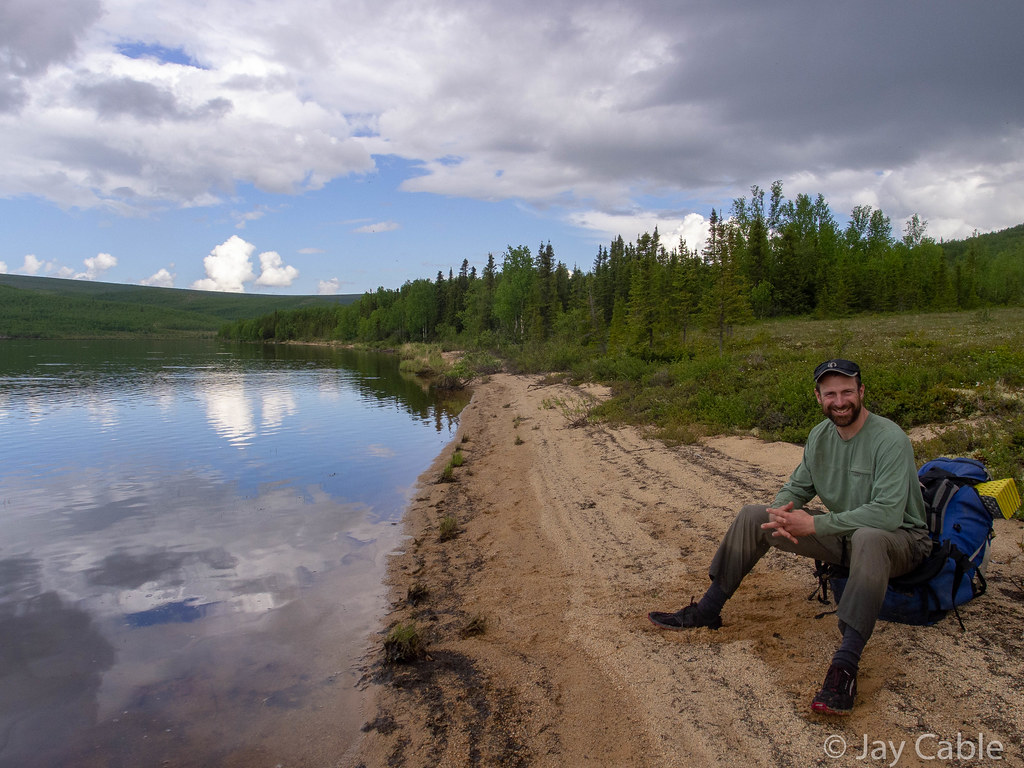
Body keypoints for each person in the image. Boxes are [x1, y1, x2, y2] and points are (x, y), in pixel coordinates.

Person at [648, 359, 931, 715]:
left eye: (847, 391)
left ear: (861, 392)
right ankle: (708, 609)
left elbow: (888, 514)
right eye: (831, 393)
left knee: (870, 537)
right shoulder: (820, 436)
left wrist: (813, 525)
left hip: (901, 541)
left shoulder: (890, 439)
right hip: (847, 536)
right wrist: (782, 513)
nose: (839, 401)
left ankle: (845, 666)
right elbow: (797, 486)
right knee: (755, 516)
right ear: (818, 397)